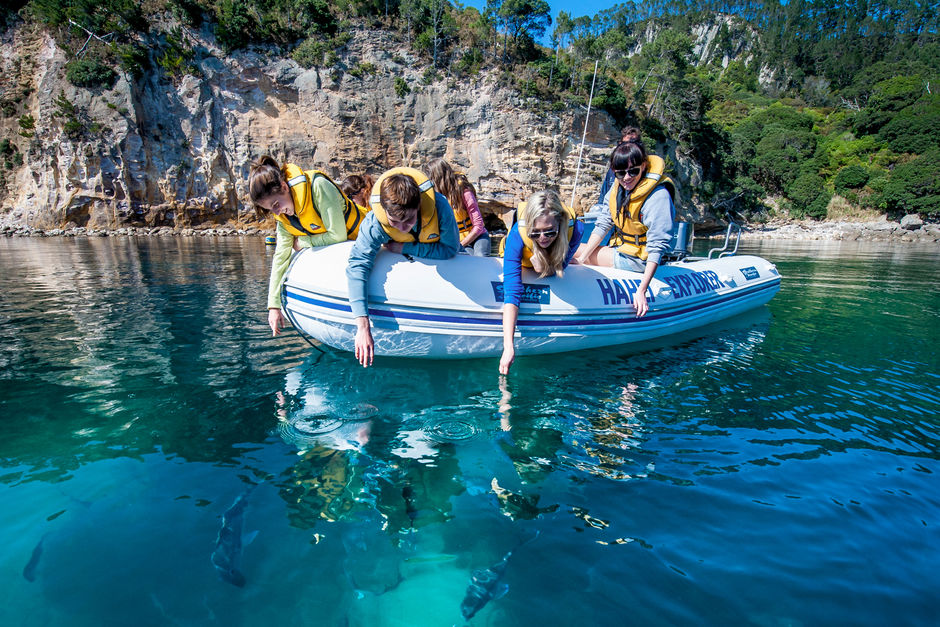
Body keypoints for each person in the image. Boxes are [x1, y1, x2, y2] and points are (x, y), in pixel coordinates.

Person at [346, 167, 460, 367]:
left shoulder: (440, 207)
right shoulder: (375, 223)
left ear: (419, 207)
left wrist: (405, 247)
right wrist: (363, 327)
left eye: (409, 219)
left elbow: (450, 249)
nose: (402, 227)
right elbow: (357, 266)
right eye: (395, 222)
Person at [249, 156, 369, 337]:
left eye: (276, 204)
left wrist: (303, 242)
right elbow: (281, 256)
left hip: (368, 235)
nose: (276, 212)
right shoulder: (283, 215)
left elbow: (337, 235)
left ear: (284, 187)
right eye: (269, 209)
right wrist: (273, 306)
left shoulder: (318, 187)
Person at [575, 138, 677, 318]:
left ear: (644, 166)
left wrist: (642, 290)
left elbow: (657, 246)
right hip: (622, 250)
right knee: (577, 251)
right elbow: (604, 223)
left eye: (633, 171)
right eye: (621, 173)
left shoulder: (658, 196)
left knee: (571, 249)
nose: (627, 177)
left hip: (639, 261)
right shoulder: (618, 188)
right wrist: (583, 257)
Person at [499, 189, 584, 375]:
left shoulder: (575, 229)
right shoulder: (517, 236)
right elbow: (512, 291)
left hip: (551, 258)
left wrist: (545, 269)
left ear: (560, 224)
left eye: (549, 232)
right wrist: (509, 346)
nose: (543, 239)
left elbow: (561, 265)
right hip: (522, 259)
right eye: (535, 234)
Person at [425, 158, 491, 256]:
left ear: (437, 178)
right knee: (466, 259)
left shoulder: (464, 192)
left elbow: (479, 226)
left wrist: (461, 244)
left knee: (480, 257)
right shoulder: (436, 199)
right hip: (458, 241)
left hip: (478, 236)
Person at [597, 126, 642, 205]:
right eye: (626, 143)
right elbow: (603, 197)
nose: (626, 177)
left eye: (633, 171)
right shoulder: (612, 171)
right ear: (620, 144)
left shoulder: (646, 169)